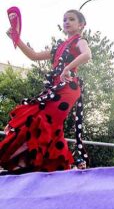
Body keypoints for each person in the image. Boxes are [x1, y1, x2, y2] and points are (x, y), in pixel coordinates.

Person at [0, 10, 92, 174]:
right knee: (38, 118)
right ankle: (47, 166)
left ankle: (38, 165)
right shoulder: (59, 46)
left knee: (45, 120)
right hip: (54, 89)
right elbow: (33, 55)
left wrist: (67, 68)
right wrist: (15, 37)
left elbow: (87, 55)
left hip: (68, 88)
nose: (67, 22)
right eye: (64, 19)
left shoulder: (80, 41)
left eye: (71, 19)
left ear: (81, 25)